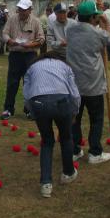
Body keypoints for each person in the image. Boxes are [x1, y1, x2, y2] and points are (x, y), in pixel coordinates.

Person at [23, 51, 80, 198]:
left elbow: (27, 93)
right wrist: (75, 111)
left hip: (38, 102)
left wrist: (33, 111)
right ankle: (68, 173)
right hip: (62, 101)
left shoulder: (32, 67)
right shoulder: (65, 66)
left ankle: (46, 183)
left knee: (47, 141)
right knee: (66, 138)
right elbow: (74, 92)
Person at [67, 0, 110, 165]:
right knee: (96, 119)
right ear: (94, 17)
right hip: (93, 85)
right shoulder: (98, 33)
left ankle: (75, 150)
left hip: (73, 85)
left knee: (75, 119)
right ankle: (94, 152)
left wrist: (95, 16)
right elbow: (108, 39)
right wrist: (105, 22)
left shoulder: (70, 30)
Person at [0, 0, 45, 120]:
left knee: (29, 83)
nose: (21, 12)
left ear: (30, 10)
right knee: (12, 83)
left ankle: (29, 110)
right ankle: (8, 109)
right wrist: (9, 40)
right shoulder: (12, 19)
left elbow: (41, 39)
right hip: (15, 55)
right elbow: (4, 33)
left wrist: (30, 44)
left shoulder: (36, 21)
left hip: (30, 55)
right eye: (20, 9)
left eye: (24, 9)